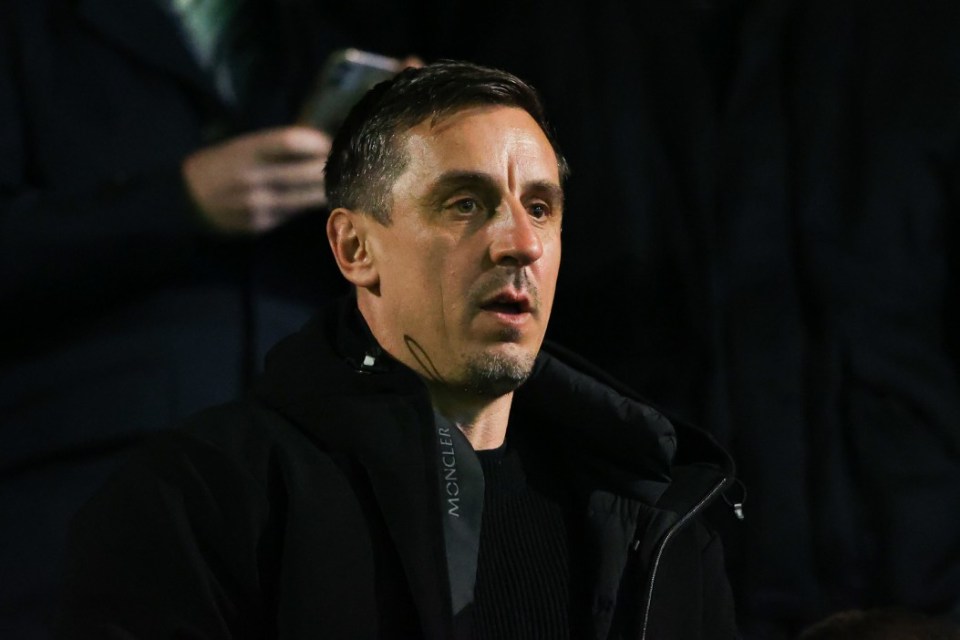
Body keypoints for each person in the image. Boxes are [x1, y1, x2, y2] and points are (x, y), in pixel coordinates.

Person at [57, 61, 738, 639]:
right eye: (465, 204)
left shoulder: (660, 507)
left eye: (539, 207)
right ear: (355, 248)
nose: (521, 243)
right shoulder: (198, 499)